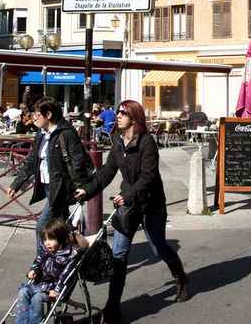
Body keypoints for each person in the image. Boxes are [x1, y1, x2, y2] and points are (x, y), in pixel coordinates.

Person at [81, 100, 190, 323]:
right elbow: (107, 172)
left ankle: (180, 278)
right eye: (118, 112)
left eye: (122, 113)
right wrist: (87, 189)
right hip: (128, 206)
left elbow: (148, 177)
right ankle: (112, 306)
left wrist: (129, 195)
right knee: (119, 254)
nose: (117, 116)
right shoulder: (117, 142)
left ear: (134, 117)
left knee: (158, 247)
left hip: (151, 204)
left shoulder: (147, 142)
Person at [7, 97, 92, 255]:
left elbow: (78, 162)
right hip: (47, 185)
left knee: (42, 226)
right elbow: (32, 159)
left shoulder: (66, 133)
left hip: (61, 187)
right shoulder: (41, 133)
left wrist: (82, 188)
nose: (34, 118)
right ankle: (69, 255)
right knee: (61, 227)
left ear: (49, 115)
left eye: (37, 115)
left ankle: (43, 262)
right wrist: (17, 183)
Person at [13, 218, 79, 324]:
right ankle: (22, 321)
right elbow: (38, 261)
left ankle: (35, 322)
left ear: (61, 239)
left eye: (51, 239)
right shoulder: (45, 249)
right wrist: (33, 270)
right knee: (23, 292)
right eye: (45, 240)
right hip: (39, 284)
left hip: (53, 288)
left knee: (37, 299)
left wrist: (57, 291)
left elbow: (66, 277)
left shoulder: (69, 256)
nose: (47, 243)